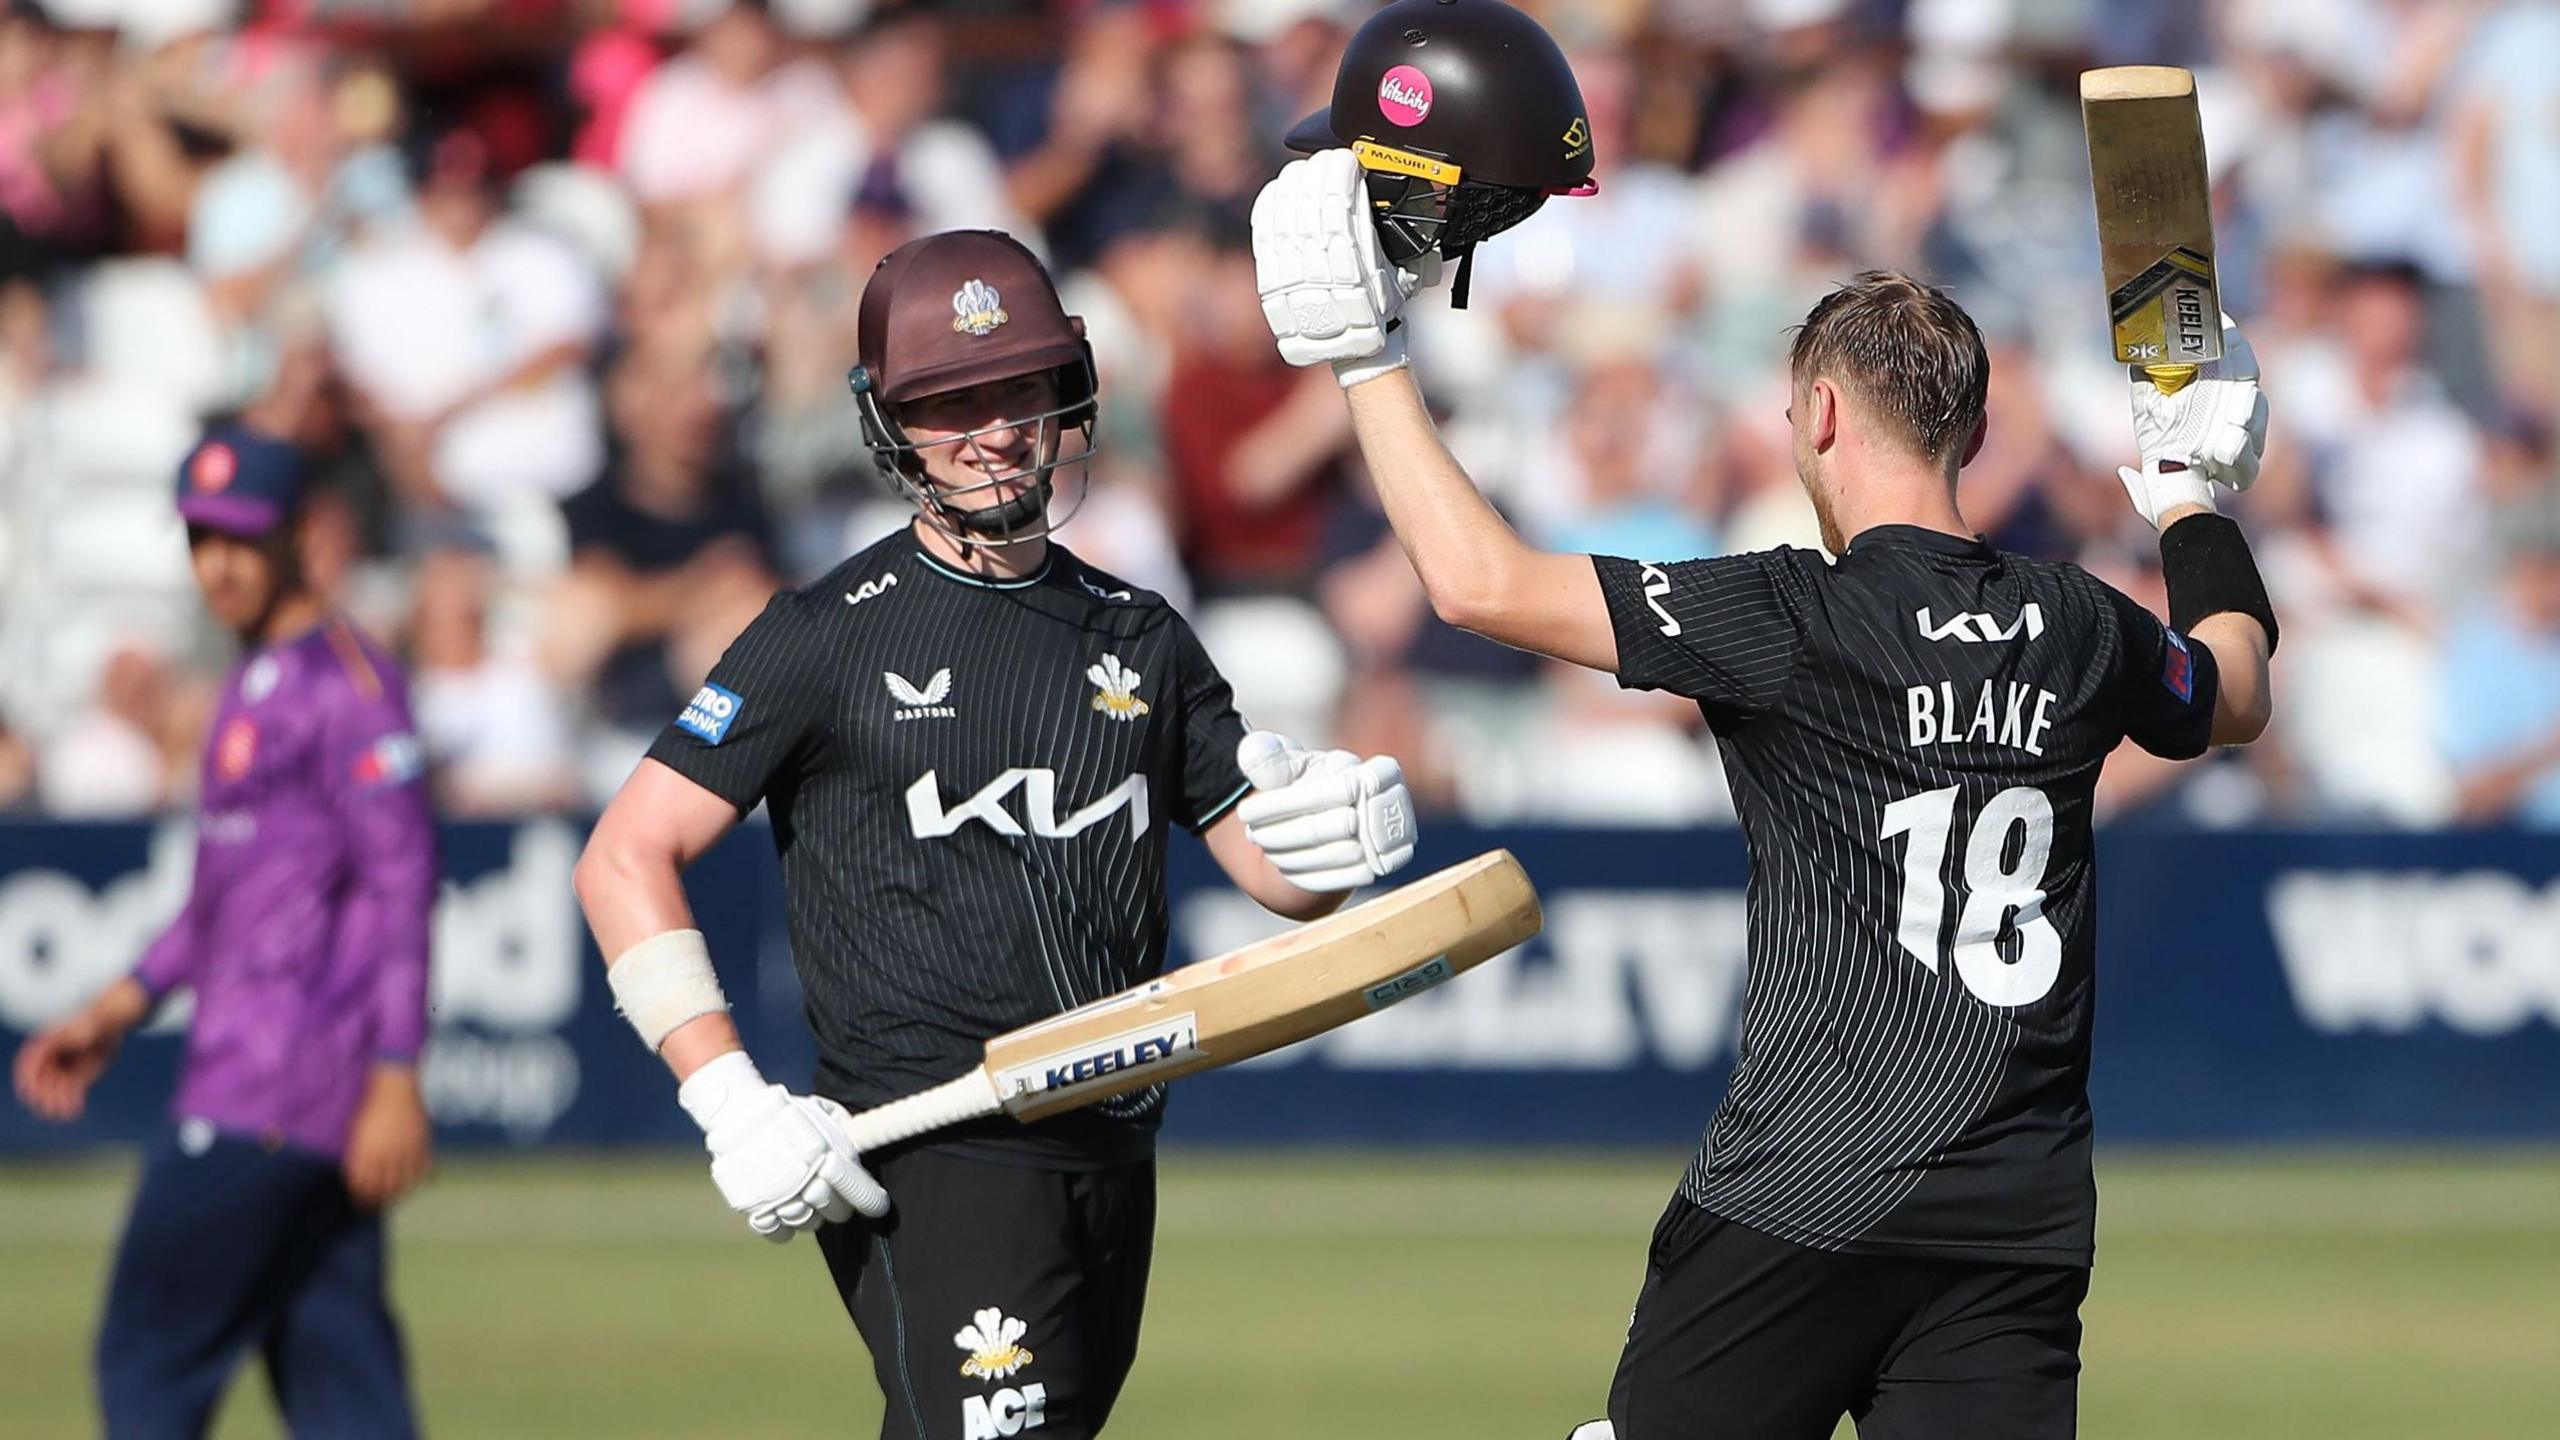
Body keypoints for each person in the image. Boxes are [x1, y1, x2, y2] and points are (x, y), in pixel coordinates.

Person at [1252, 149, 2277, 1435]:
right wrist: (2191, 498)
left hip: (1806, 1187)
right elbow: (2235, 689)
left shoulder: (1791, 612)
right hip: (2014, 1220)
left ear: (1827, 416)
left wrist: (1367, 358)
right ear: (1966, 428)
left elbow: (1478, 584)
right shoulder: (2079, 623)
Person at [572, 227, 1421, 1440]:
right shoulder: (824, 634)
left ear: (1066, 393)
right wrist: (726, 1099)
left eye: (1017, 388)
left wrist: (1331, 833)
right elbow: (622, 856)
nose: (994, 429)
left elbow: (1271, 876)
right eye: (949, 401)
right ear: (891, 424)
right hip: (933, 1152)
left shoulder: (1141, 634)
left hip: (1115, 1144)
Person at [10, 423, 437, 1438]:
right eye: (201, 539)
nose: (219, 564)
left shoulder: (349, 690)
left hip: (270, 1091)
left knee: (147, 1361)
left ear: (302, 534)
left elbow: (404, 887)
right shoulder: (249, 682)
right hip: (277, 1093)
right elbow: (221, 904)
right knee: (346, 1392)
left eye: (241, 537)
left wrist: (397, 1075)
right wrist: (119, 1006)